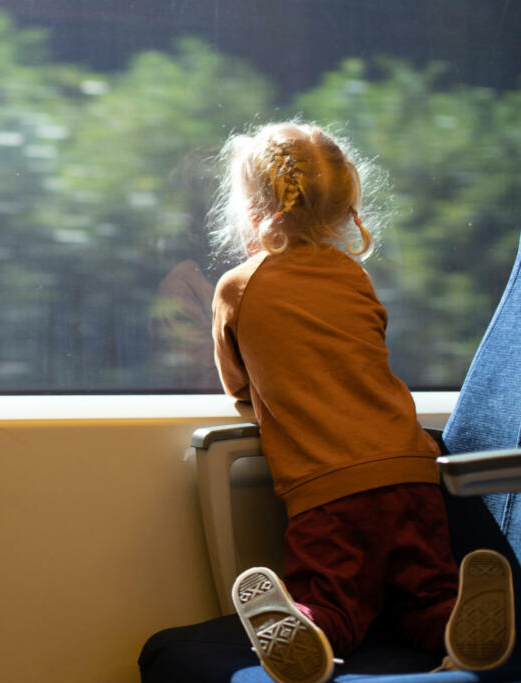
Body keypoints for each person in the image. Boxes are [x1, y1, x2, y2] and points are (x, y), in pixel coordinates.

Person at [208, 121, 515, 683]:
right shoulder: (353, 277)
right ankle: (454, 621)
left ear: (251, 206)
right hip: (412, 472)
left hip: (329, 492)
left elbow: (240, 389)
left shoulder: (238, 287)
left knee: (334, 599)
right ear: (346, 204)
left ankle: (309, 630)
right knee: (423, 592)